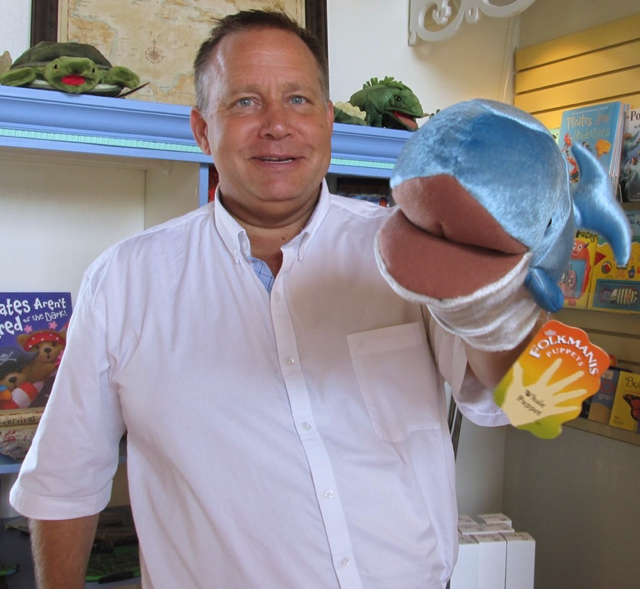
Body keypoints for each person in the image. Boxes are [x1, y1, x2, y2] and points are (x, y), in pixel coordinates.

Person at [10, 9, 537, 589]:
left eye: (299, 100)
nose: (277, 125)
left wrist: (488, 301)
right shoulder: (123, 282)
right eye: (244, 103)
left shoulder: (408, 252)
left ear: (329, 122)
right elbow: (64, 483)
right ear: (202, 129)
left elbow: (508, 395)